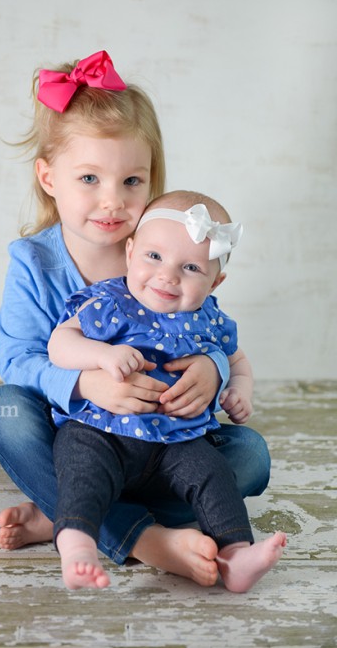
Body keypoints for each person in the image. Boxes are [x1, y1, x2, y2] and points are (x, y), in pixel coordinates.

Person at [0, 50, 271, 586]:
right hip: (78, 434)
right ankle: (145, 540)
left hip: (167, 439)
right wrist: (85, 383)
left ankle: (64, 512)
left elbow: (219, 338)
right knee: (2, 413)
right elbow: (16, 359)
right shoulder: (34, 262)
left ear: (152, 180)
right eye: (89, 177)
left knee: (248, 455)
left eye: (132, 182)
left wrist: (214, 370)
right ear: (48, 176)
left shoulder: (169, 259)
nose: (111, 201)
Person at [47, 190, 286, 591]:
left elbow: (238, 360)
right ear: (130, 252)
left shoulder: (209, 319)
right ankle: (78, 547)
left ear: (216, 281)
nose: (167, 276)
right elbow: (59, 342)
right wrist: (102, 355)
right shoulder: (110, 302)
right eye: (154, 257)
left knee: (214, 473)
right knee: (81, 470)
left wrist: (239, 389)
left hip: (176, 440)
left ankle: (236, 553)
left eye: (191, 267)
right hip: (101, 430)